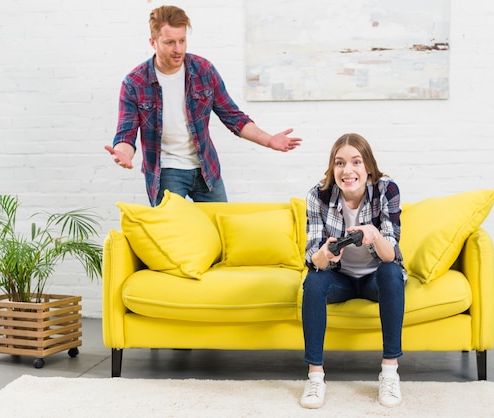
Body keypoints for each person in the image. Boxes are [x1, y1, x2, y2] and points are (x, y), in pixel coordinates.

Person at [105, 5, 302, 206]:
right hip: (166, 171)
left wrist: (269, 140)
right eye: (170, 42)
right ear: (153, 42)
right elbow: (126, 134)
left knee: (220, 227)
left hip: (206, 167)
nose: (178, 49)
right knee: (172, 233)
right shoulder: (135, 83)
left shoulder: (203, 70)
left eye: (182, 40)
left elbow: (233, 116)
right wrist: (124, 154)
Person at [300, 133, 406, 409]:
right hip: (341, 278)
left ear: (368, 167)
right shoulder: (318, 195)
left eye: (356, 162)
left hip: (375, 278)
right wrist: (325, 253)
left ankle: (389, 372)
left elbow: (390, 255)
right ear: (332, 169)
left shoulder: (386, 190)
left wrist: (374, 234)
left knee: (391, 273)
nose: (347, 170)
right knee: (313, 281)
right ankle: (315, 377)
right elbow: (314, 261)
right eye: (340, 163)